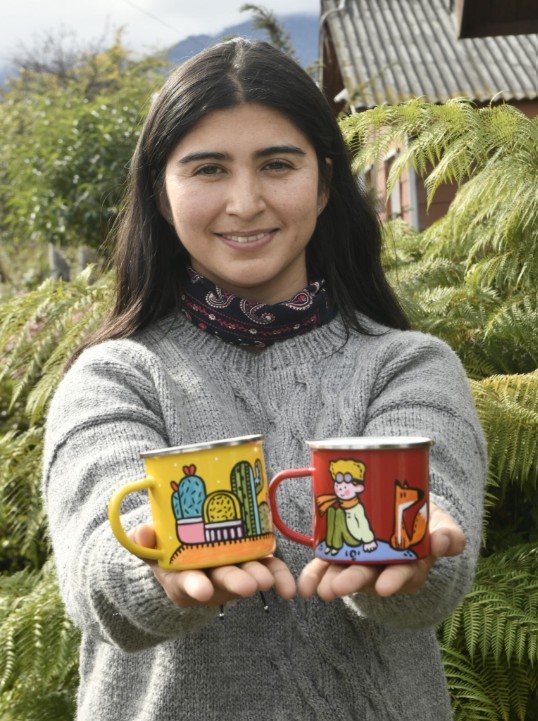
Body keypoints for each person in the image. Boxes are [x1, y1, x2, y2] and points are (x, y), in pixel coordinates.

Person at [42, 38, 486, 721]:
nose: (245, 202)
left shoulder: (409, 365)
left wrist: (419, 562)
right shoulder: (114, 375)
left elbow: (437, 552)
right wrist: (152, 569)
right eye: (208, 169)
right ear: (161, 193)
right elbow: (97, 566)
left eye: (277, 165)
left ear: (325, 183)